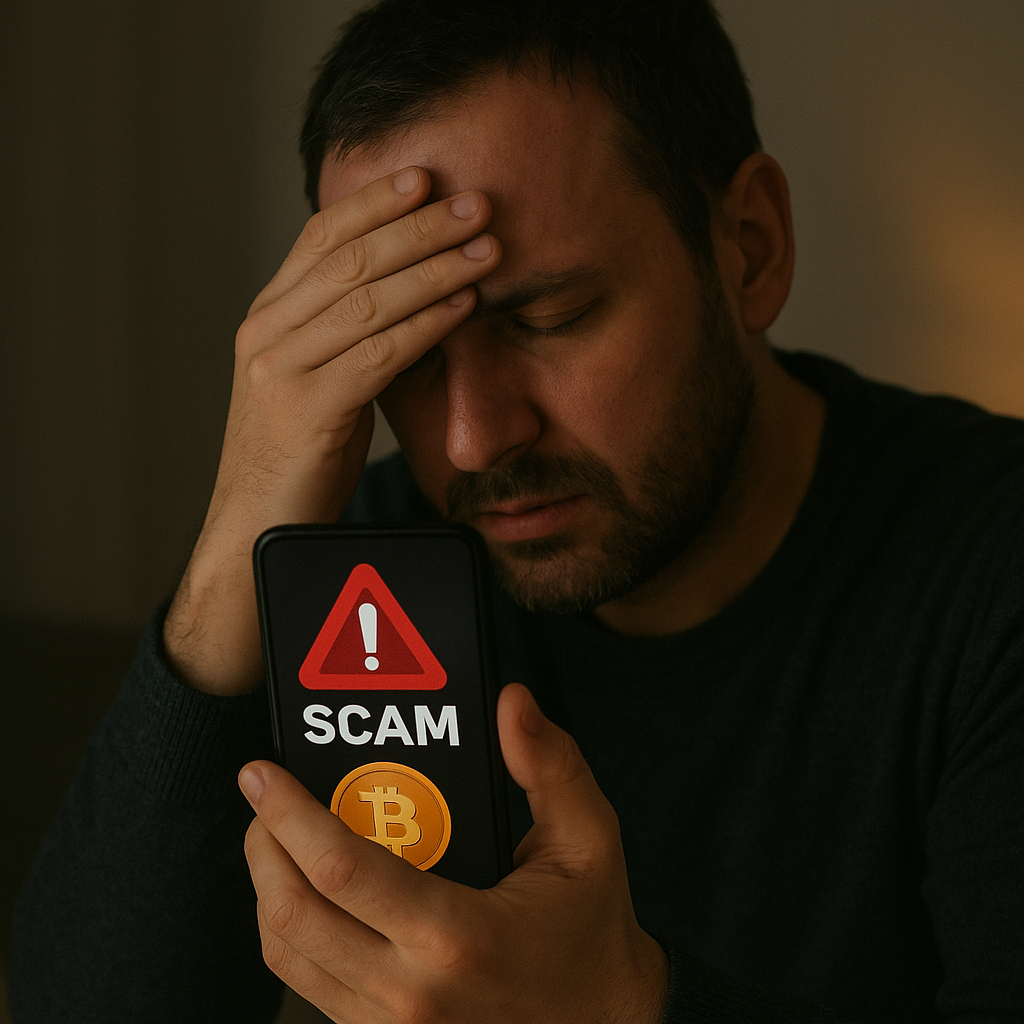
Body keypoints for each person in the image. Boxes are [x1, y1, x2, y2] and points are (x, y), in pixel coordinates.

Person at [10, 1, 1023, 1022]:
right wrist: (241, 531)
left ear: (749, 249)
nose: (472, 441)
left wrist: (622, 1006)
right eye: (409, 354)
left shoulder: (988, 565)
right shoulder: (373, 573)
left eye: (548, 317)